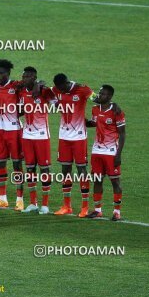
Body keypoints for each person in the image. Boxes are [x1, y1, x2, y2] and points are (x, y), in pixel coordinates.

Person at [51, 74, 94, 216]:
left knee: (82, 170)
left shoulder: (82, 89)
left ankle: (85, 207)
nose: (60, 91)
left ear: (66, 83)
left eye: (61, 87)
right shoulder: (57, 90)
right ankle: (67, 206)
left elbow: (98, 99)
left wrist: (95, 118)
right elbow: (48, 94)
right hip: (64, 137)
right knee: (65, 170)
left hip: (79, 138)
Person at [18, 67, 56, 215]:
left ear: (34, 78)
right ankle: (33, 203)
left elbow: (58, 105)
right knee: (30, 169)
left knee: (44, 169)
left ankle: (45, 205)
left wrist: (41, 86)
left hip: (42, 137)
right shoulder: (21, 92)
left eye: (28, 77)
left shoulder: (45, 91)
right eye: (23, 76)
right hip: (27, 136)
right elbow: (21, 110)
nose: (25, 79)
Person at [0, 59, 25, 211]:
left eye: (1, 73)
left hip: (14, 130)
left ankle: (19, 200)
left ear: (8, 73)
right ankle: (2, 199)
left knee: (17, 165)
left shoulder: (16, 86)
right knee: (0, 164)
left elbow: (25, 106)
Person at [86, 85, 126, 221]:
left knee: (115, 181)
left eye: (103, 94)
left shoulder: (116, 111)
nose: (99, 95)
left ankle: (117, 212)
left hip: (111, 152)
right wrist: (82, 120)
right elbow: (95, 123)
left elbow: (122, 134)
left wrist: (118, 154)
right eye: (100, 93)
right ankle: (98, 210)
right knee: (97, 180)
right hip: (96, 151)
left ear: (109, 97)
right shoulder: (95, 109)